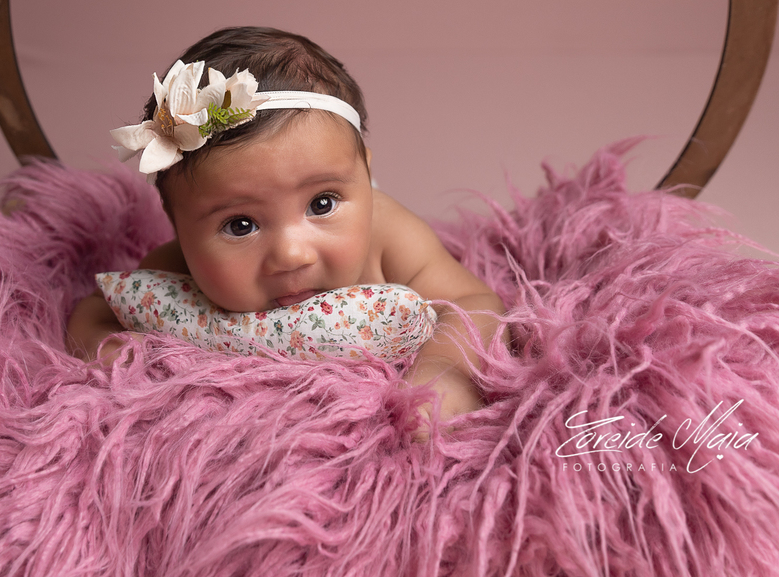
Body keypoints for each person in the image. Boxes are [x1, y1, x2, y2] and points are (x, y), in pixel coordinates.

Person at [67, 27, 505, 421]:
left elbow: (473, 301)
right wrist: (112, 350)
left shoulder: (388, 236)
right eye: (240, 225)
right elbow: (96, 310)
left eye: (322, 204)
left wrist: (446, 371)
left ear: (365, 176)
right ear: (179, 226)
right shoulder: (176, 269)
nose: (291, 255)